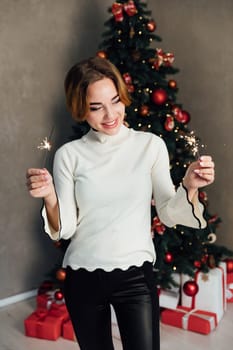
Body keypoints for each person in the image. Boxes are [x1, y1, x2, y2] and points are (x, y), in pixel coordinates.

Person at [26, 56, 215, 350]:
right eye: (96, 107)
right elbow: (65, 229)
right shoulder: (69, 155)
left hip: (135, 278)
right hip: (82, 278)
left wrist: (189, 185)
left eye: (115, 101)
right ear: (80, 109)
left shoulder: (150, 145)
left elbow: (166, 213)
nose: (110, 114)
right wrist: (49, 195)